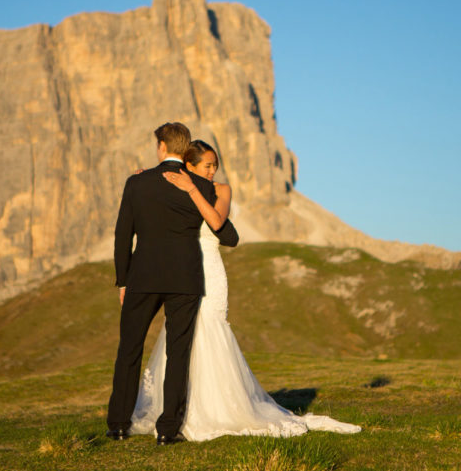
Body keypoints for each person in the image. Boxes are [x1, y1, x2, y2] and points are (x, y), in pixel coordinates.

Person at [130, 140, 361, 440]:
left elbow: (216, 221)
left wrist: (190, 189)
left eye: (215, 165)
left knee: (211, 329)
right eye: (207, 165)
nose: (213, 171)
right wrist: (145, 176)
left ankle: (216, 407)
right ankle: (177, 409)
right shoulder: (175, 187)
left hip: (210, 271)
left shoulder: (221, 190)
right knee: (180, 335)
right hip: (181, 269)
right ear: (189, 166)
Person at [106, 123, 238, 446]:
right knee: (178, 354)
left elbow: (123, 235)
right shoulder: (203, 187)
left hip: (143, 277)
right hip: (185, 278)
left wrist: (123, 280)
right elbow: (226, 231)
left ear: (162, 146)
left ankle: (119, 424)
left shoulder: (137, 183)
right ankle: (168, 429)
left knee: (129, 349)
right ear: (186, 149)